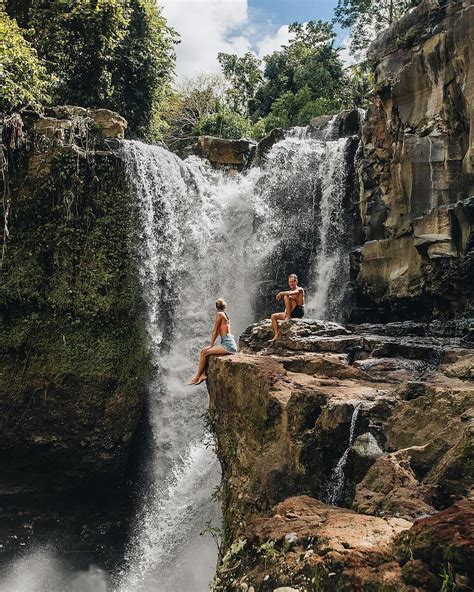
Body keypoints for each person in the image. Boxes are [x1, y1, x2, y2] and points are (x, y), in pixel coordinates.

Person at [188, 298, 238, 385]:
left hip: (228, 346)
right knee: (206, 353)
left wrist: (211, 345)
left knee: (203, 352)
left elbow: (215, 331)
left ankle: (197, 377)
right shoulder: (225, 314)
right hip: (229, 343)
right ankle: (203, 374)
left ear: (216, 307)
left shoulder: (219, 314)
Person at [270, 273, 305, 341]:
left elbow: (291, 293)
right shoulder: (290, 291)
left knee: (286, 296)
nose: (291, 283)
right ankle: (276, 335)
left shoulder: (300, 289)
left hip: (299, 311)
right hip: (291, 312)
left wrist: (281, 293)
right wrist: (285, 313)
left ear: (296, 281)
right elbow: (288, 305)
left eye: (292, 282)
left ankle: (288, 316)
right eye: (289, 282)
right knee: (273, 316)